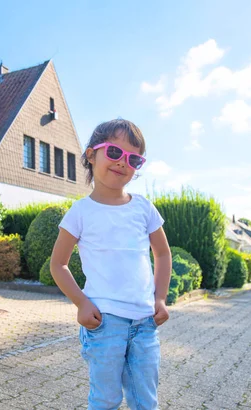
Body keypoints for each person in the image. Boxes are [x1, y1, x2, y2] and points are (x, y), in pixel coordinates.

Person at [49, 119, 172, 409]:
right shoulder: (79, 213)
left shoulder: (144, 208)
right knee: (105, 400)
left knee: (146, 401)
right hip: (104, 323)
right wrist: (81, 303)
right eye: (114, 152)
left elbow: (163, 254)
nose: (122, 163)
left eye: (133, 158)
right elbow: (58, 264)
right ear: (91, 155)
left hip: (145, 323)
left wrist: (161, 298)